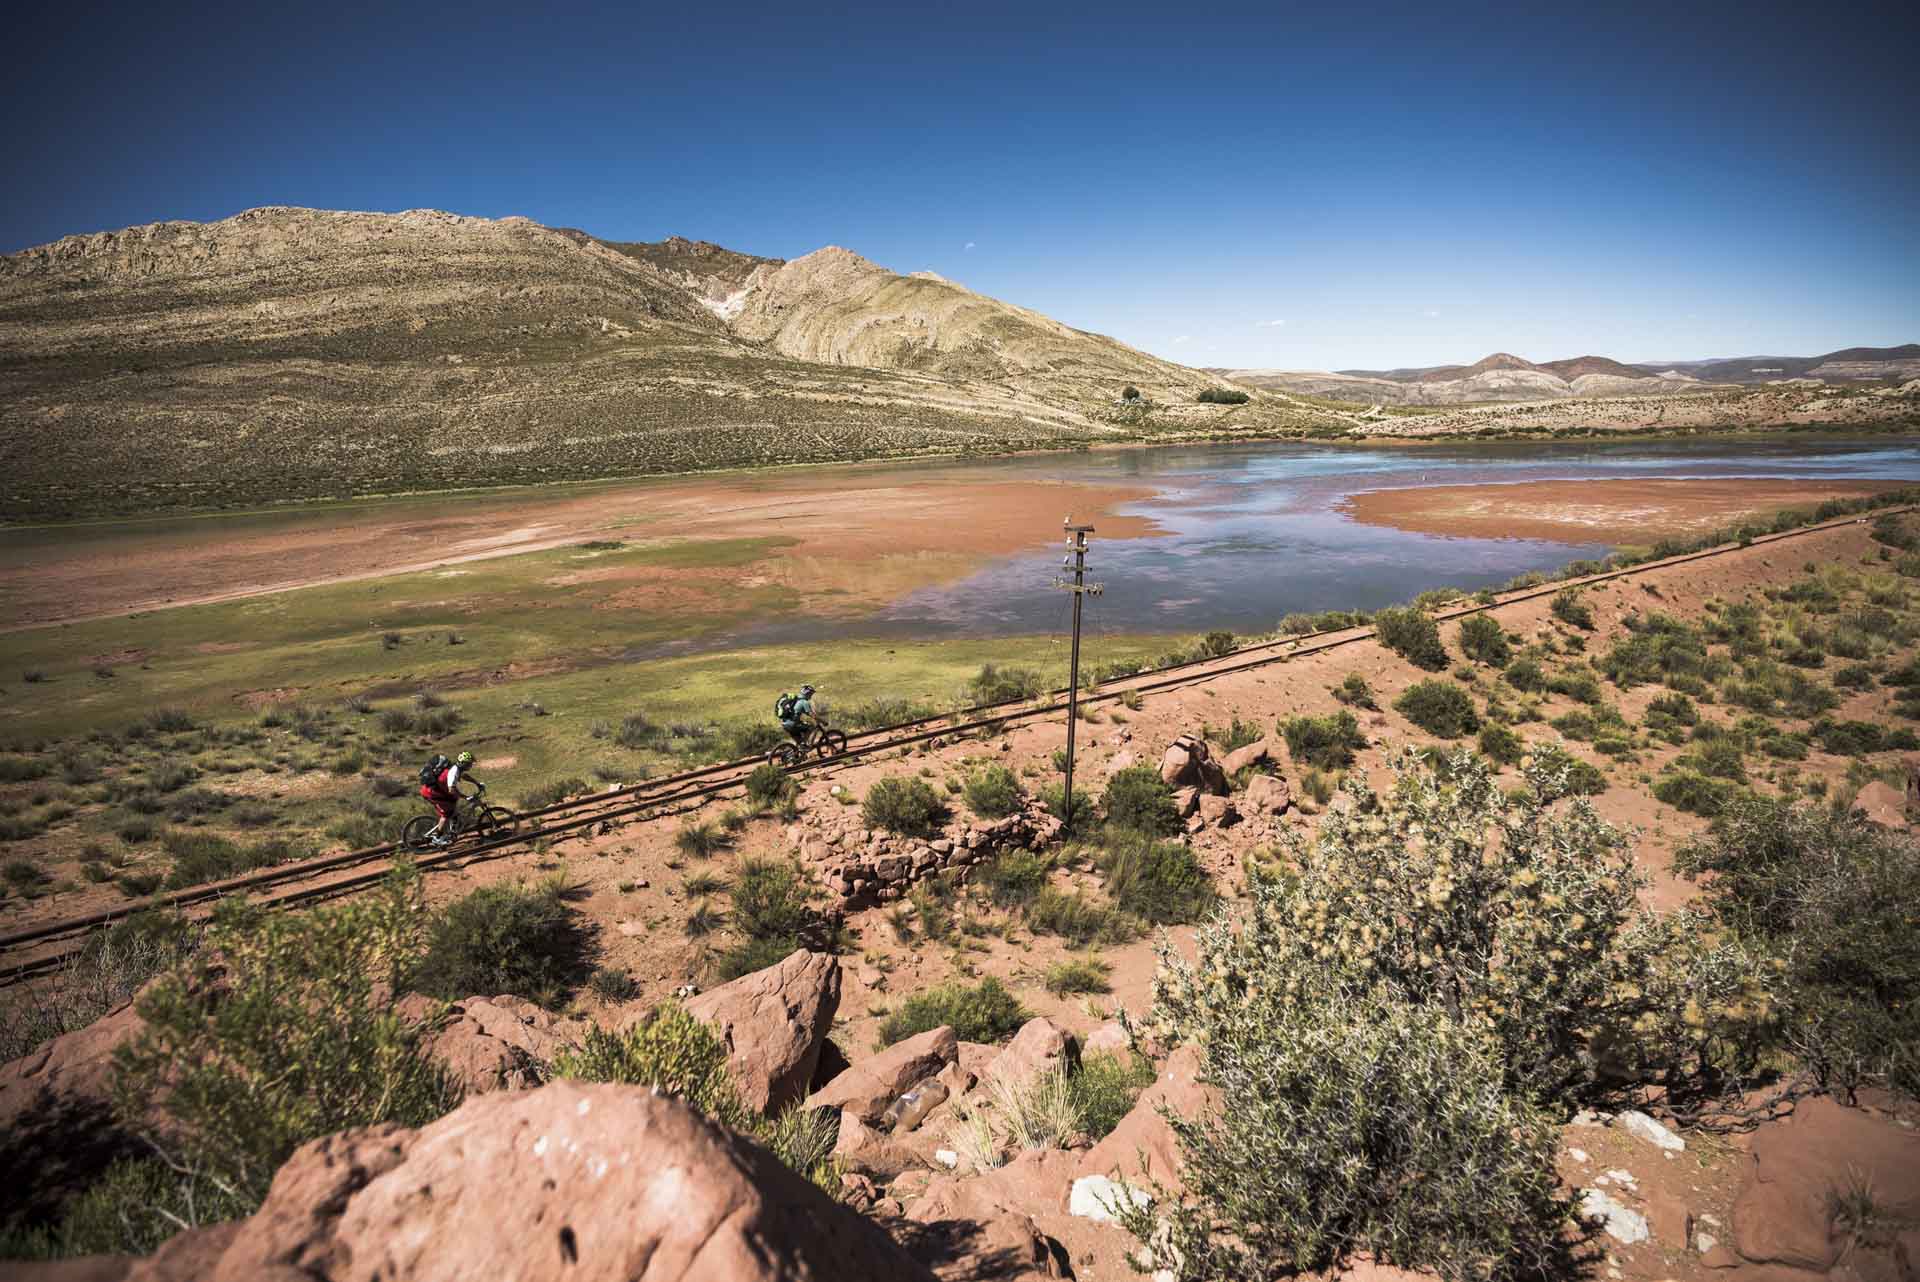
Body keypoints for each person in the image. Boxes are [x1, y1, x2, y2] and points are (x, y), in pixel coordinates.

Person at [422, 749, 482, 847]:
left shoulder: (457, 768)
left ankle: (452, 833)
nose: (471, 766)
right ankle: (437, 838)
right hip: (431, 793)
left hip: (439, 791)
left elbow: (464, 776)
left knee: (453, 806)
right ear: (464, 764)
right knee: (447, 813)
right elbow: (451, 790)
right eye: (469, 764)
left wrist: (477, 783)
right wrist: (465, 797)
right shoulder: (453, 772)